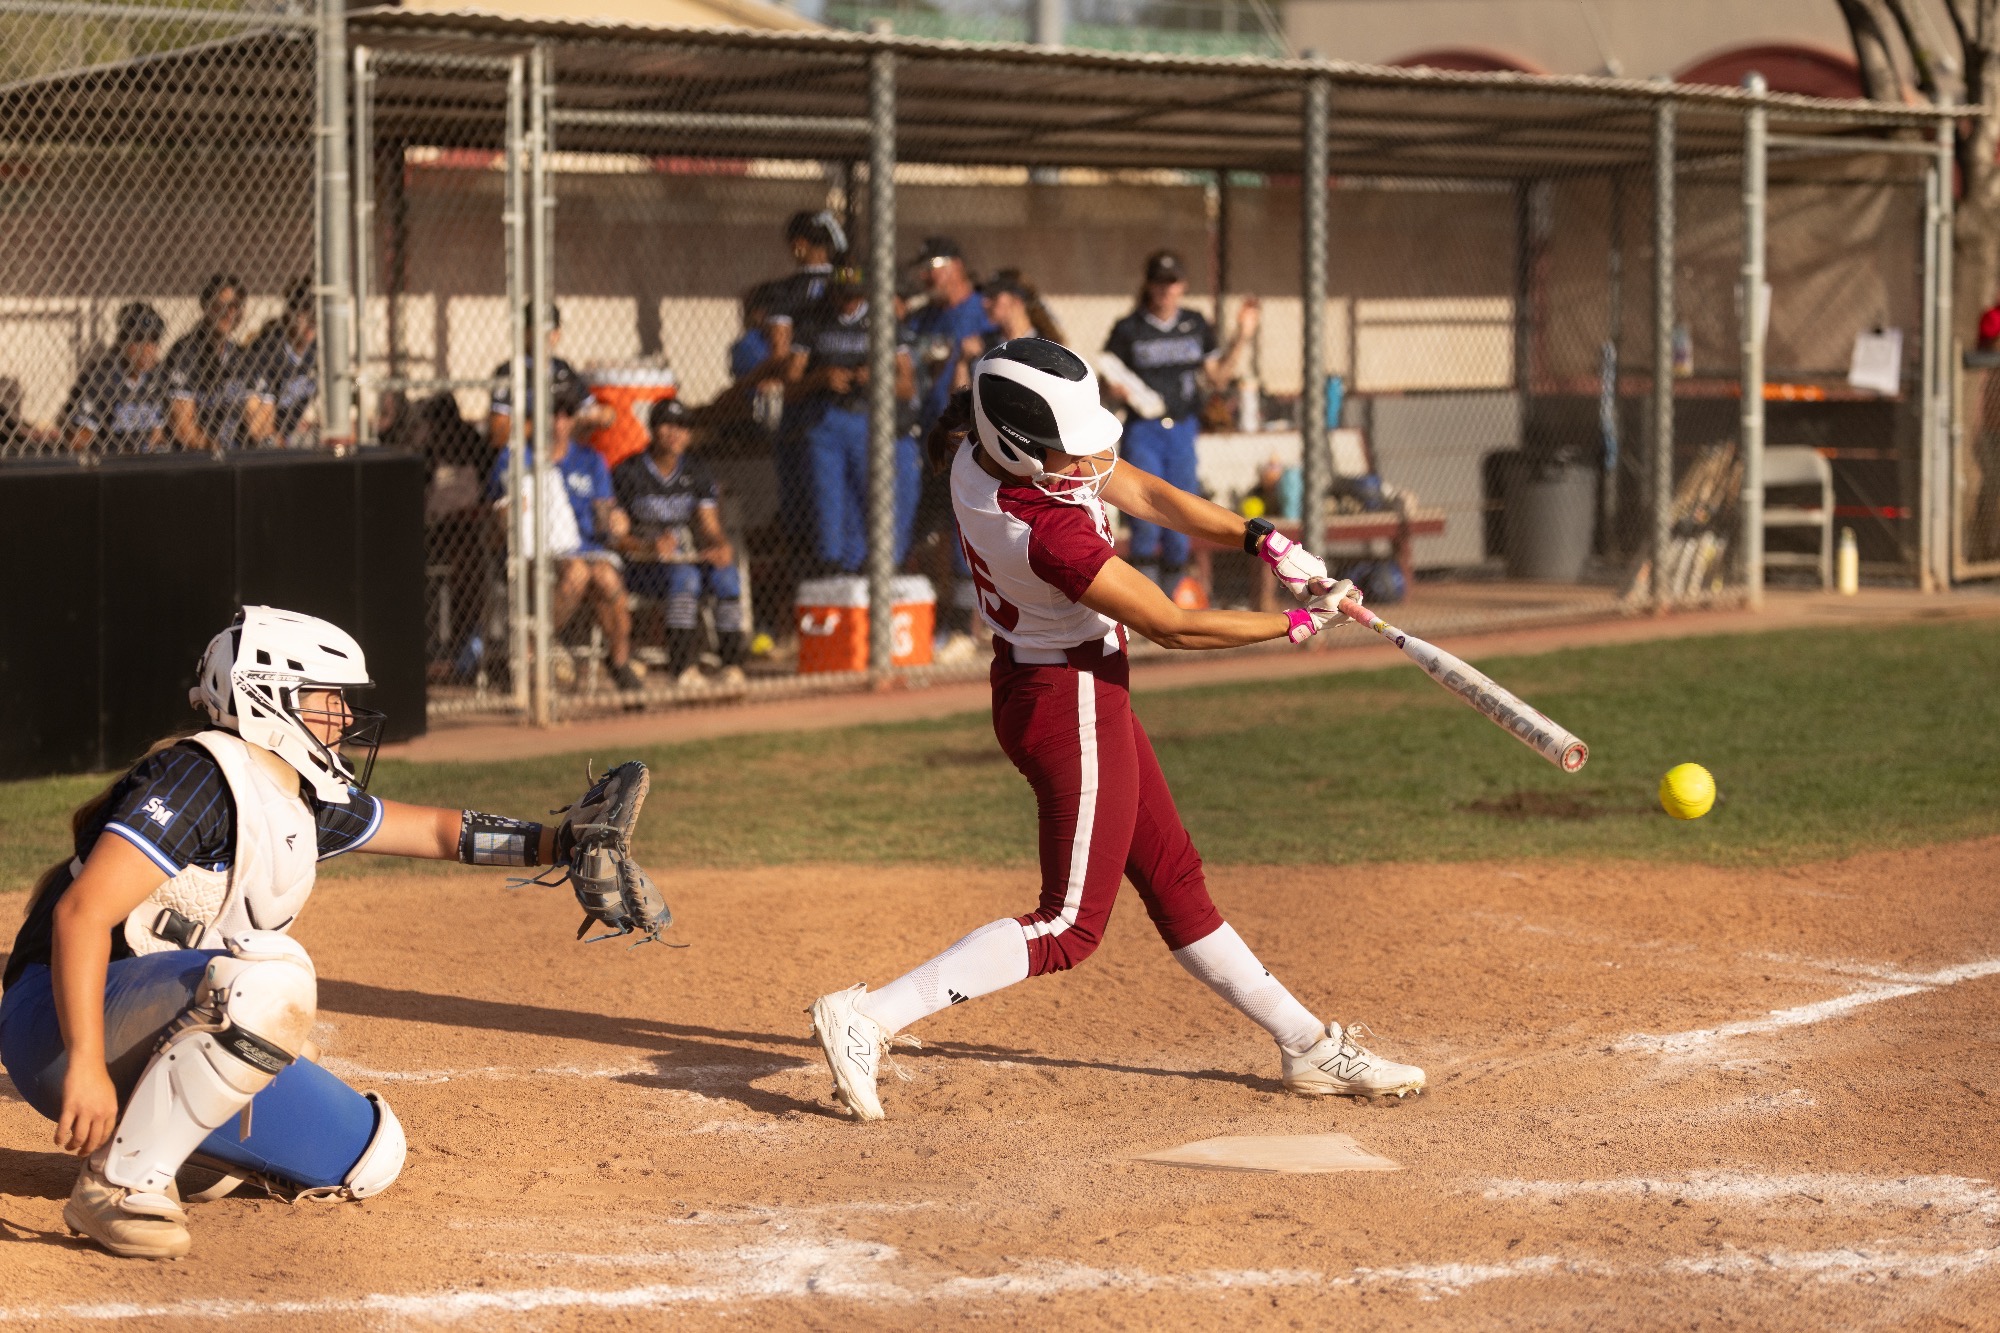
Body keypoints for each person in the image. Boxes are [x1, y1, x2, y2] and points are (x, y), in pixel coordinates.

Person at [806, 337, 1425, 1122]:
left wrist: (1264, 540)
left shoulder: (984, 453)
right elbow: (1173, 625)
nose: (1089, 460)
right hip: (1071, 702)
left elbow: (1150, 494)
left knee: (1174, 881)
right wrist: (1295, 622)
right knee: (1069, 925)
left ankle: (1305, 1042)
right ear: (1024, 450)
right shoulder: (1046, 531)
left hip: (1060, 689)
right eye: (1071, 452)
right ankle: (871, 1016)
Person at [0, 606, 611, 1259]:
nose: (346, 718)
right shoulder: (199, 776)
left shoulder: (298, 795)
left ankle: (172, 1140)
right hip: (58, 1027)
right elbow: (80, 913)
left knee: (372, 1153)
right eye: (329, 697)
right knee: (271, 981)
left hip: (144, 1029)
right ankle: (118, 1186)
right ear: (267, 695)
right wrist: (87, 1064)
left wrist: (560, 843)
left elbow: (437, 831)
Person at [1101, 250, 1260, 597]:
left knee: (1181, 513)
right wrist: (1111, 388)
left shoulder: (1195, 323)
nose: (1165, 290)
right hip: (1144, 430)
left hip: (1183, 428)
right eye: (1159, 282)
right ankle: (1142, 599)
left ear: (1182, 286)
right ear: (1148, 284)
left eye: (1172, 282)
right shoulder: (1129, 328)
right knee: (1143, 513)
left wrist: (1242, 336)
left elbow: (1218, 378)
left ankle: (1172, 598)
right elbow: (1106, 377)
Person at [487, 383, 641, 693]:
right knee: (577, 572)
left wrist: (616, 522)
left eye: (567, 414)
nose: (559, 423)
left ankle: (620, 663)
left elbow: (604, 517)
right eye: (551, 414)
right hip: (535, 555)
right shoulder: (517, 458)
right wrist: (509, 514)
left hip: (584, 550)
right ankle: (530, 654)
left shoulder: (590, 460)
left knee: (608, 580)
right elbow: (497, 517)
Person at [785, 265, 920, 574]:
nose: (849, 304)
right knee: (828, 501)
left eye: (856, 297)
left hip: (867, 419)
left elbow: (906, 385)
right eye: (843, 296)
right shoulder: (813, 321)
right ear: (832, 293)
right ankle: (835, 567)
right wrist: (821, 378)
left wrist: (875, 377)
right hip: (825, 420)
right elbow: (790, 387)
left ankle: (878, 570)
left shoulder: (883, 322)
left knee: (874, 499)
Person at [613, 397, 747, 691]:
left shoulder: (696, 471)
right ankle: (682, 667)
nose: (676, 434)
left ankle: (732, 664)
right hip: (641, 568)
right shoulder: (629, 472)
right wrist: (648, 548)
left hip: (683, 560)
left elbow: (709, 526)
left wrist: (720, 545)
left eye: (684, 427)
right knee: (684, 578)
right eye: (668, 425)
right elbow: (616, 538)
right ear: (653, 428)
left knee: (727, 576)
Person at [904, 236, 998, 654]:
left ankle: (966, 625)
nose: (927, 275)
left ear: (958, 267)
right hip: (928, 440)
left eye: (935, 264)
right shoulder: (921, 320)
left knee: (969, 529)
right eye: (923, 267)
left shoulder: (983, 312)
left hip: (974, 440)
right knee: (924, 531)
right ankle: (937, 618)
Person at [487, 303, 607, 451]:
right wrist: (547, 424)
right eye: (537, 329)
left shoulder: (563, 368)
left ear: (557, 334)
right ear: (525, 332)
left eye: (549, 330)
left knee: (595, 461)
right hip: (525, 455)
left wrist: (588, 418)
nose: (544, 336)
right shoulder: (510, 371)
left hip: (564, 455)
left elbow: (600, 413)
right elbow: (499, 433)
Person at [162, 274, 254, 452]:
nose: (229, 313)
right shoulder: (185, 353)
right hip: (196, 459)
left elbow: (254, 415)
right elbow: (183, 429)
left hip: (234, 455)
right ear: (205, 306)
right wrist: (215, 450)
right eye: (221, 305)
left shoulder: (238, 355)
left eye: (235, 306)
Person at [62, 302, 168, 454]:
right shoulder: (101, 378)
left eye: (153, 340)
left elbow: (158, 435)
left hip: (148, 465)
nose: (147, 349)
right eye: (138, 340)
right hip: (111, 467)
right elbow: (77, 441)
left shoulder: (158, 376)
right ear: (122, 342)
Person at [242, 278, 318, 449]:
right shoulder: (266, 351)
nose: (310, 320)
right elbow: (259, 428)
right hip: (256, 447)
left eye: (315, 312)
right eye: (302, 311)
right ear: (289, 313)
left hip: (291, 436)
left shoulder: (317, 350)